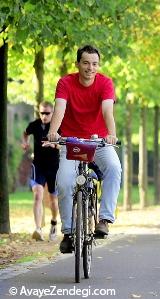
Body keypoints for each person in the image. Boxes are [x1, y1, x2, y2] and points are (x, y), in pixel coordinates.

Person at [46, 45, 121, 254]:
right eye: (86, 63)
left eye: (94, 64)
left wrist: (111, 134)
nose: (90, 68)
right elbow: (60, 108)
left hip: (99, 141)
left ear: (99, 65)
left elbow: (107, 110)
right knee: (64, 181)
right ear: (77, 64)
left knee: (114, 168)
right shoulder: (65, 82)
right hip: (71, 142)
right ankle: (69, 232)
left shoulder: (105, 83)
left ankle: (105, 219)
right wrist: (53, 132)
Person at [21, 101, 59, 241]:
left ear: (52, 113)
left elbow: (63, 145)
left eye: (47, 113)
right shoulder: (34, 125)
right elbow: (25, 133)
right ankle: (38, 229)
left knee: (53, 200)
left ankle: (54, 222)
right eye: (42, 113)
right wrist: (25, 142)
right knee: (38, 195)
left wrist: (53, 144)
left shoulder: (57, 126)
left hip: (54, 167)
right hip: (38, 166)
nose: (44, 116)